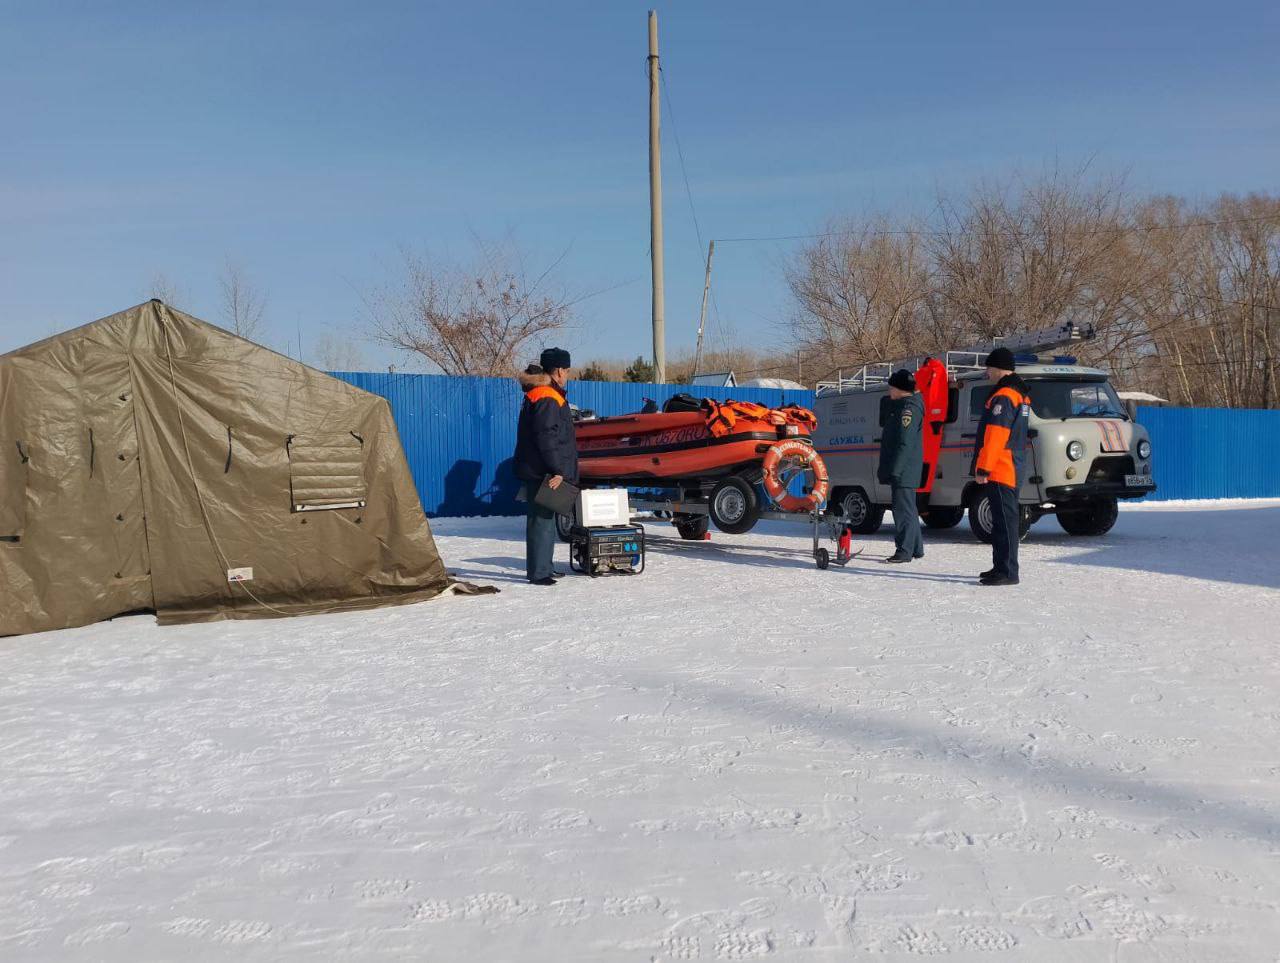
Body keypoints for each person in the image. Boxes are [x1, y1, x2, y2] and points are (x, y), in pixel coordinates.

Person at [514, 348, 578, 586]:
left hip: (541, 469)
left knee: (547, 519)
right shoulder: (546, 396)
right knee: (541, 520)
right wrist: (559, 470)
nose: (568, 375)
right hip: (545, 472)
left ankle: (545, 567)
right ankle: (539, 572)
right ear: (559, 370)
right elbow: (546, 437)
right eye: (567, 370)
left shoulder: (543, 393)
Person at [972, 346, 1030, 586]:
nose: (987, 373)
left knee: (1005, 522)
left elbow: (996, 434)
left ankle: (1007, 571)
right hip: (1011, 463)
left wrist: (983, 467)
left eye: (988, 368)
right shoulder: (1019, 393)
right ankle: (1001, 566)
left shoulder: (1005, 395)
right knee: (1002, 521)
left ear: (997, 368)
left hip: (1001, 466)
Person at [877, 369, 925, 563]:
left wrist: (895, 470)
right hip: (906, 468)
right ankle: (916, 547)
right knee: (909, 509)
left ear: (899, 388)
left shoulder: (908, 409)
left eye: (891, 387)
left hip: (904, 469)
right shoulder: (903, 405)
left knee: (902, 510)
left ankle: (904, 550)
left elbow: (905, 442)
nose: (889, 390)